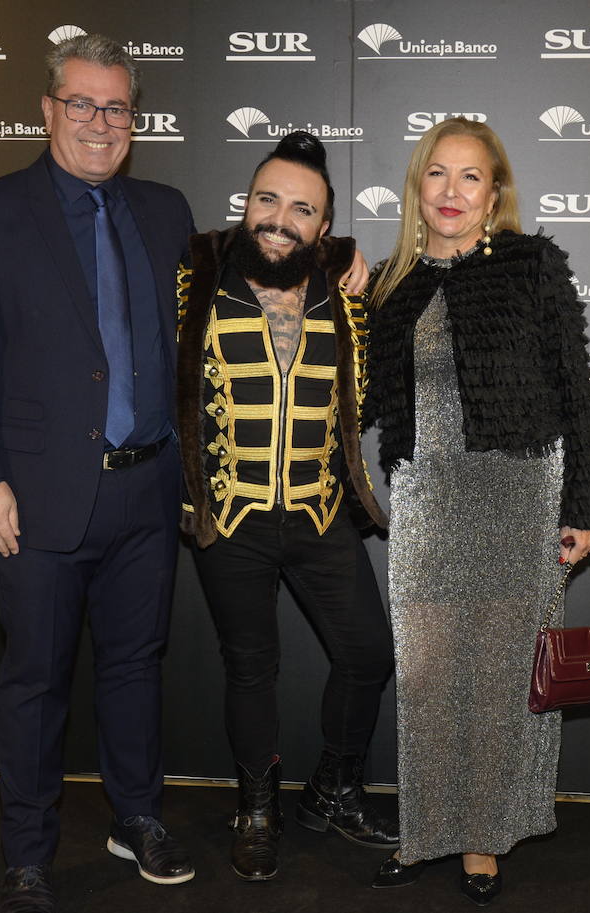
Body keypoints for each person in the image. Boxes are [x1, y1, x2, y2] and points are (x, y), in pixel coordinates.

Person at [0, 34, 196, 913]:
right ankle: (28, 854)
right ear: (48, 110)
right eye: (81, 103)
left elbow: (214, 323)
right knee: (35, 680)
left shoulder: (165, 210)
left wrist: (328, 263)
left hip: (148, 490)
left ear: (134, 119)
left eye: (116, 107)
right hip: (34, 497)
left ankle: (137, 817)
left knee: (134, 668)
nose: (98, 123)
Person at [363, 118, 590, 905]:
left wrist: (585, 507)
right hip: (427, 505)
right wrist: (340, 306)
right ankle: (425, 826)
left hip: (516, 495)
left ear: (494, 192)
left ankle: (480, 837)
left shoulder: (532, 267)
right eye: (438, 174)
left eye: (471, 177)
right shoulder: (392, 285)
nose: (452, 192)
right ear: (418, 185)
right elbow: (365, 400)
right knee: (429, 678)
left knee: (502, 678)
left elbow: (577, 393)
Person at [176, 131, 398, 881]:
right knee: (251, 667)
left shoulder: (346, 286)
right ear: (245, 204)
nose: (280, 217)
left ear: (323, 228)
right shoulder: (196, 271)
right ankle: (258, 805)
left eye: (302, 208)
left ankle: (333, 787)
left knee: (369, 651)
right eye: (267, 198)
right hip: (231, 516)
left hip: (319, 509)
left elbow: (363, 392)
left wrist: (355, 280)